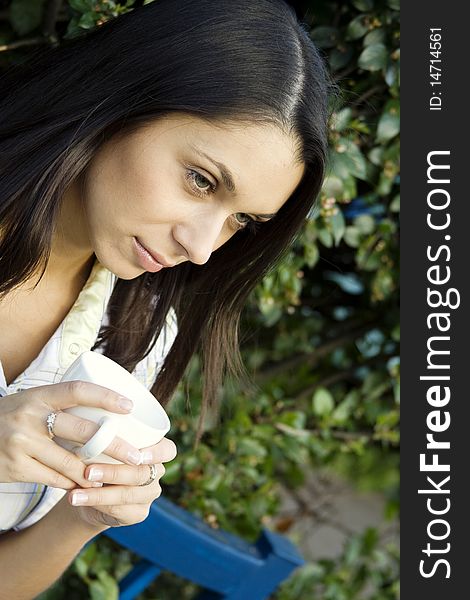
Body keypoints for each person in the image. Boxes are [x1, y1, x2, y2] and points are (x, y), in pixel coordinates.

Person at [0, 0, 330, 596]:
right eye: (201, 180)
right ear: (124, 101)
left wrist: (82, 518)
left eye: (243, 222)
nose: (203, 247)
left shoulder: (138, 331)